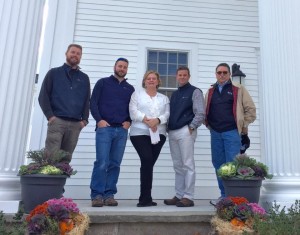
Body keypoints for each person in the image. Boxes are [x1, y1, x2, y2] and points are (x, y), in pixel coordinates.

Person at [205, 63, 256, 205]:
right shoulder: (210, 91)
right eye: (219, 72)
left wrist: (242, 125)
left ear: (229, 74)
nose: (222, 75)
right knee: (219, 165)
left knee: (232, 164)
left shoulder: (238, 89)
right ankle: (223, 196)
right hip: (215, 133)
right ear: (216, 74)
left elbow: (250, 110)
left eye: (225, 72)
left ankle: (234, 198)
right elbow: (205, 111)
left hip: (232, 133)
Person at [90, 57, 134, 207]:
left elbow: (132, 109)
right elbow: (93, 103)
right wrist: (99, 120)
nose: (122, 69)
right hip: (105, 129)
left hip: (121, 131)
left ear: (127, 70)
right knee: (102, 162)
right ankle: (97, 195)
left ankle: (109, 195)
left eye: (125, 67)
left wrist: (129, 122)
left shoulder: (130, 89)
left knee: (115, 163)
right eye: (120, 66)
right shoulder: (102, 83)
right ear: (115, 66)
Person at [38, 44, 90, 162]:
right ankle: (48, 181)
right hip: (57, 122)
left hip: (76, 124)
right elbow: (43, 96)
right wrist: (50, 116)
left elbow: (87, 101)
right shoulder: (53, 73)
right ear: (66, 53)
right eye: (73, 52)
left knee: (65, 160)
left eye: (78, 53)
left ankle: (60, 180)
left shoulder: (84, 78)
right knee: (51, 157)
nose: (75, 55)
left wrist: (84, 120)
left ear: (80, 56)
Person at [164, 66, 205, 207]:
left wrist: (191, 127)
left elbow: (200, 113)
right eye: (179, 75)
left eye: (184, 75)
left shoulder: (195, 92)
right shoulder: (174, 94)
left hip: (186, 130)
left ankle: (188, 196)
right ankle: (179, 195)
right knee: (177, 165)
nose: (182, 77)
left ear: (189, 76)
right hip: (173, 132)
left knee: (188, 164)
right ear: (176, 76)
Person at [129, 70, 170, 207]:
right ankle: (144, 198)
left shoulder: (164, 98)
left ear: (158, 82)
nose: (151, 80)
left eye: (154, 78)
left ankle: (146, 198)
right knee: (147, 159)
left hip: (159, 134)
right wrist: (147, 121)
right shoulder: (137, 95)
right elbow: (133, 111)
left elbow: (167, 114)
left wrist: (157, 120)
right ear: (144, 81)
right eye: (148, 78)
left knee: (148, 164)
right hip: (139, 133)